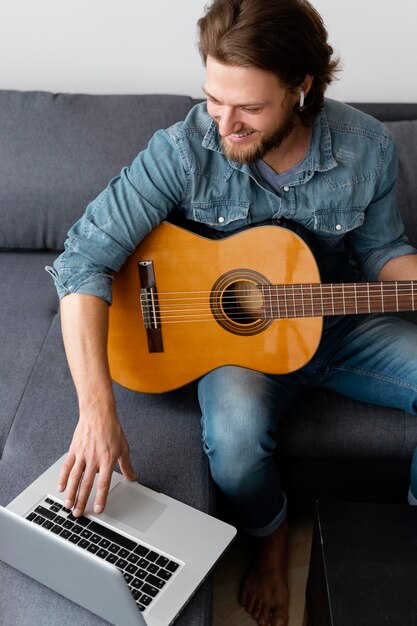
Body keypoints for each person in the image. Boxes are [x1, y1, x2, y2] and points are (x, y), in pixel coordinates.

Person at [47, 1, 417, 625]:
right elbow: (83, 260)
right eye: (215, 98)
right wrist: (96, 411)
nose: (225, 123)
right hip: (239, 346)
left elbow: (381, 252)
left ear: (301, 88)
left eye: (249, 107)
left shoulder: (367, 146)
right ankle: (269, 538)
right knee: (236, 444)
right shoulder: (185, 147)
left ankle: (404, 543)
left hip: (341, 321)